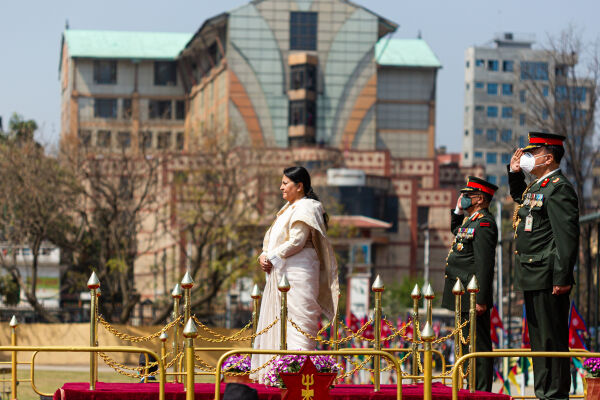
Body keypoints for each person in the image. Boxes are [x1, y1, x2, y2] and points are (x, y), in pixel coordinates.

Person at [250, 166, 339, 384]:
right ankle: (279, 374)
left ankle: (300, 379)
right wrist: (263, 255)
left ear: (299, 186)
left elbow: (297, 241)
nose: (281, 187)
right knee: (280, 322)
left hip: (300, 273)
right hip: (282, 272)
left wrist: (271, 256)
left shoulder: (308, 207)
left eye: (285, 183)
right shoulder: (286, 209)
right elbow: (272, 241)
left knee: (299, 323)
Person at [508, 132, 579, 400]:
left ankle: (554, 393)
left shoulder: (559, 188)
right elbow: (520, 198)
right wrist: (515, 173)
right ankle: (544, 392)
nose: (526, 158)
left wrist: (562, 277)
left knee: (552, 340)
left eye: (532, 153)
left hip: (549, 276)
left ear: (548, 158)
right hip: (532, 273)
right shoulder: (538, 187)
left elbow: (566, 237)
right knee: (538, 341)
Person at [441, 176, 498, 392]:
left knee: (478, 347)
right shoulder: (471, 221)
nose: (463, 198)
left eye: (467, 195)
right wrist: (457, 210)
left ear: (480, 198)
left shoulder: (484, 224)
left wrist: (481, 299)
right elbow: (456, 230)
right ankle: (470, 386)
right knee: (466, 345)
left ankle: (482, 391)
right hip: (463, 295)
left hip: (473, 296)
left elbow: (484, 264)